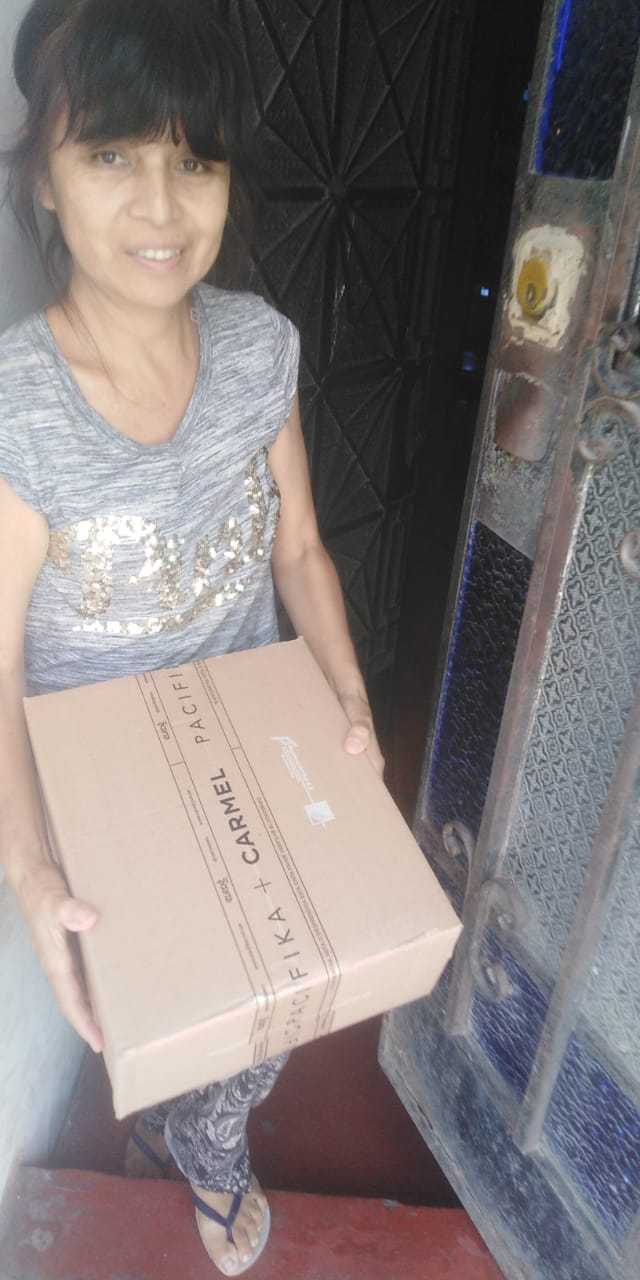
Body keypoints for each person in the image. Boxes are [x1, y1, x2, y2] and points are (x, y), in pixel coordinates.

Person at [0, 1, 384, 1274]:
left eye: (193, 159)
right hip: (108, 797)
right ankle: (197, 1139)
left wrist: (347, 697)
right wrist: (31, 872)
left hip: (253, 747)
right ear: (44, 180)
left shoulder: (258, 347)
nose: (160, 205)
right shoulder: (18, 410)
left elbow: (300, 549)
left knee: (276, 998)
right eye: (111, 154)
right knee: (168, 1008)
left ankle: (205, 1136)